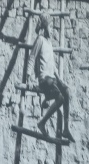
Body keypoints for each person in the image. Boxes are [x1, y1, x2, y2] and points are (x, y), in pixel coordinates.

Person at [28, 13, 75, 142]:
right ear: (45, 26)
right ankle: (42, 123)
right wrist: (29, 77)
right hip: (44, 79)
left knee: (67, 91)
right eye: (50, 25)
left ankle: (66, 128)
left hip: (52, 79)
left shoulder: (49, 43)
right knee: (60, 98)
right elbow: (32, 57)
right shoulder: (40, 40)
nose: (52, 28)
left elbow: (53, 66)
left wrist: (60, 80)